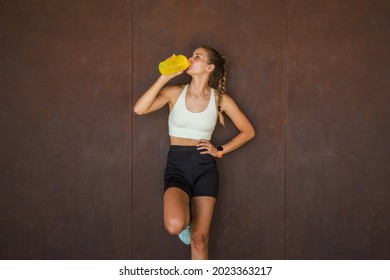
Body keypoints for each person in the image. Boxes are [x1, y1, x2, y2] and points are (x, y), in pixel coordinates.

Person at [133, 46, 255, 260]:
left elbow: (248, 131)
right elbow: (139, 109)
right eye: (191, 55)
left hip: (204, 169)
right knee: (174, 225)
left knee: (199, 240)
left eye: (197, 57)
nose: (190, 59)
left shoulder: (220, 99)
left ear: (209, 67)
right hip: (177, 166)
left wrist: (219, 151)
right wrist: (164, 77)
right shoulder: (174, 92)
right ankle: (185, 219)